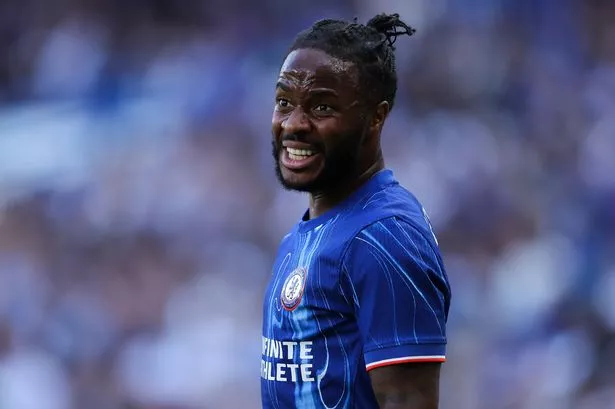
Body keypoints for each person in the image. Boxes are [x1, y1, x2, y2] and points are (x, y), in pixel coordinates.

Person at [262, 13, 451, 409]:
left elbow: (407, 400)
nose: (294, 124)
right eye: (284, 102)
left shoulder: (385, 237)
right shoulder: (309, 234)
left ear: (375, 118)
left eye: (321, 107)